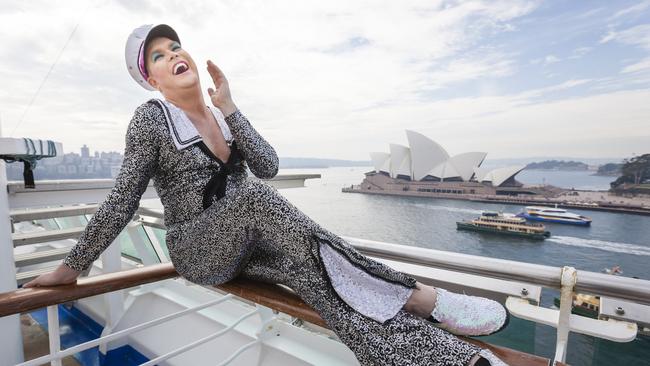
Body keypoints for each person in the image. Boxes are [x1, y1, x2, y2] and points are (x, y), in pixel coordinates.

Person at [25, 24, 509, 366]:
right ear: (152, 80)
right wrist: (74, 267)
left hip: (247, 242)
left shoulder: (220, 117)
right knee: (256, 199)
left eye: (175, 45)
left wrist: (231, 108)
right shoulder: (151, 119)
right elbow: (124, 198)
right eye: (158, 55)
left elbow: (269, 165)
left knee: (317, 276)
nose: (174, 54)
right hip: (199, 248)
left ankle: (442, 358)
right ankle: (424, 298)